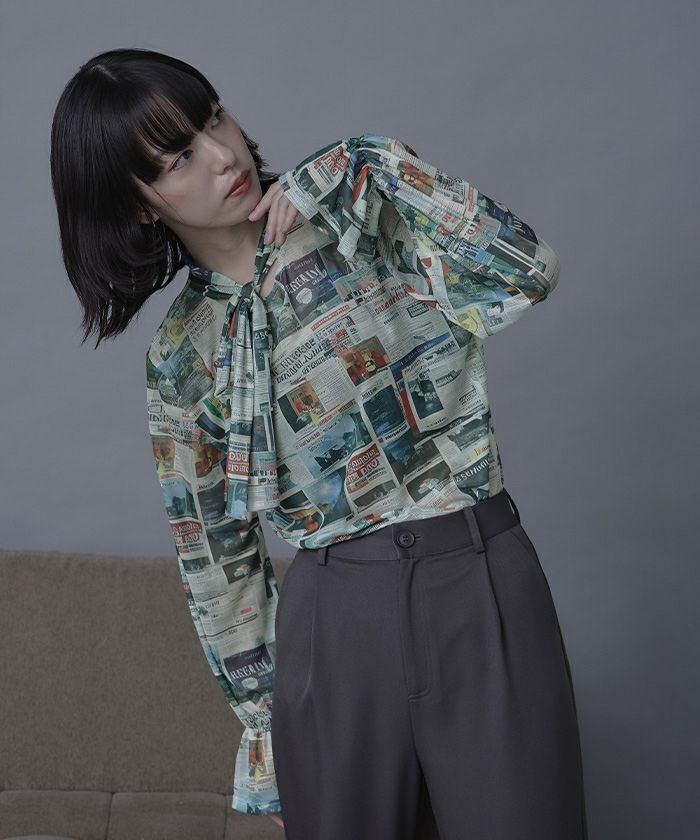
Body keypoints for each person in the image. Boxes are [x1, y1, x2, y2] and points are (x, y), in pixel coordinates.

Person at [51, 46, 588, 840]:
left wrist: (372, 160)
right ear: (137, 207)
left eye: (213, 118)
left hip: (479, 574)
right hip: (332, 623)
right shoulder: (182, 356)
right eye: (179, 158)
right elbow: (216, 559)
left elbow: (527, 272)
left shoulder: (359, 214)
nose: (224, 155)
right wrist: (264, 729)